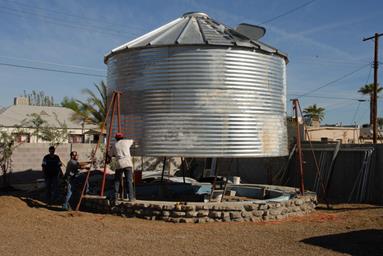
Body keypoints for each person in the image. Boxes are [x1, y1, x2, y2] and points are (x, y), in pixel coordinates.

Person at [109, 132, 135, 203]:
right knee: (129, 181)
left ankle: (115, 197)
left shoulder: (114, 145)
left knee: (117, 181)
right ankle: (131, 198)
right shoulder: (127, 141)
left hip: (119, 164)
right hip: (128, 163)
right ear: (122, 137)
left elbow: (110, 154)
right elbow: (133, 141)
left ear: (116, 138)